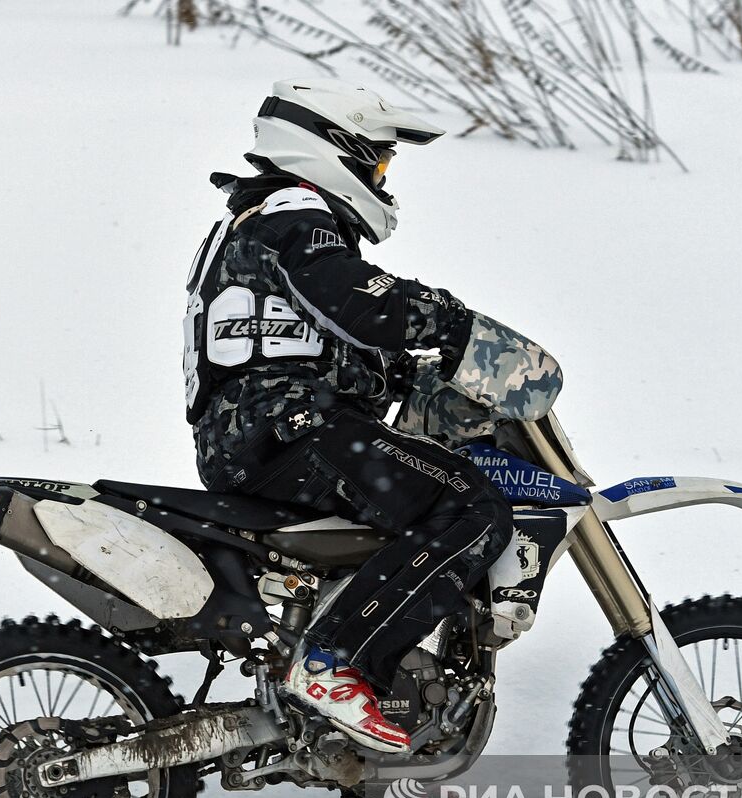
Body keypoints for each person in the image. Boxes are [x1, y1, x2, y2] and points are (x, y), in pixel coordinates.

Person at [182, 79, 513, 754]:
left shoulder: (262, 221)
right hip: (287, 428)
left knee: (419, 500)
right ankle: (337, 663)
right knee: (470, 503)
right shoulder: (295, 212)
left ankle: (404, 776)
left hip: (268, 429)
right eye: (379, 161)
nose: (383, 178)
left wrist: (411, 376)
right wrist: (453, 326)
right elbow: (363, 304)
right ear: (335, 149)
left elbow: (310, 339)